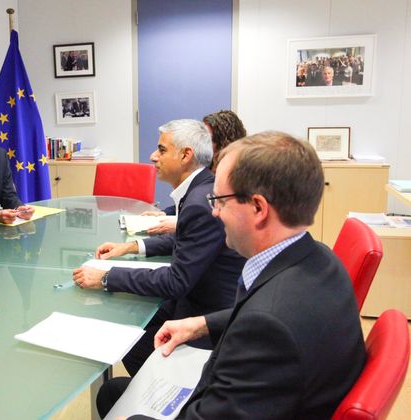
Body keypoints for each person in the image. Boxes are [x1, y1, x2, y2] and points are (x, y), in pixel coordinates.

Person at [97, 132, 366, 419]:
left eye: (220, 201)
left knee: (120, 404)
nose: (214, 212)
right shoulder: (320, 258)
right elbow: (262, 315)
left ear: (258, 208)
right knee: (113, 391)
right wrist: (201, 324)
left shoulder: (267, 328)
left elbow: (266, 324)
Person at [72, 119, 245, 376]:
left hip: (206, 312)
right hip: (196, 295)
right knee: (127, 319)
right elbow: (186, 241)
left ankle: (167, 397)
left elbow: (176, 281)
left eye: (162, 150)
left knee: (128, 341)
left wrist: (107, 276)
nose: (153, 157)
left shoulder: (199, 201)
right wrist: (132, 246)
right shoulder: (202, 188)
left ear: (186, 155)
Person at [147, 110, 247, 234]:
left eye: (206, 138)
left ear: (224, 143)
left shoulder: (236, 176)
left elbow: (213, 218)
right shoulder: (206, 168)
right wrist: (166, 214)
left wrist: (180, 224)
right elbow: (189, 202)